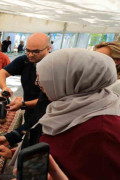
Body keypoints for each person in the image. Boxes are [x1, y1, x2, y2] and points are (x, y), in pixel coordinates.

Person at [37, 48, 120, 179]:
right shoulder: (73, 107)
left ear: (71, 79)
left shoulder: (101, 132)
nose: (40, 84)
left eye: (45, 78)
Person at [0, 33, 51, 149]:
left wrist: (23, 104)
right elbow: (1, 73)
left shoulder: (54, 67)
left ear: (48, 49)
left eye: (36, 51)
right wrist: (5, 88)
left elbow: (48, 101)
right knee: (28, 136)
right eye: (27, 50)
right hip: (31, 113)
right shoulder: (25, 60)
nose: (30, 54)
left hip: (47, 114)